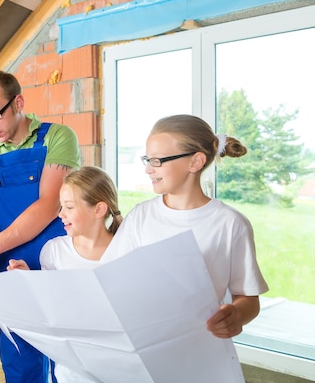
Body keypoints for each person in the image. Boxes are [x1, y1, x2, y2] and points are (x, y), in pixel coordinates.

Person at [0, 69, 81, 383]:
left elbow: (49, 204)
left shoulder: (57, 137)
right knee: (18, 355)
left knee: (63, 359)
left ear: (19, 102)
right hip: (6, 270)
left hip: (52, 263)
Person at [107, 114, 268, 339]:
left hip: (200, 350)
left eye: (158, 161)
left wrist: (235, 316)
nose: (148, 169)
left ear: (195, 162)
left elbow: (249, 299)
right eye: (148, 159)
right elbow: (111, 278)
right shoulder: (140, 216)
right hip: (146, 342)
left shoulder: (230, 224)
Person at [8, 165, 123, 383]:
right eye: (61, 206)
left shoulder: (125, 250)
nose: (61, 214)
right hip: (71, 373)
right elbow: (49, 306)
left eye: (69, 207)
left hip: (118, 370)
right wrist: (30, 279)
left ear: (98, 210)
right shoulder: (54, 251)